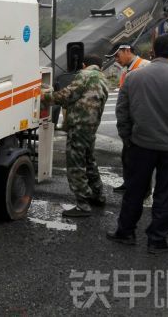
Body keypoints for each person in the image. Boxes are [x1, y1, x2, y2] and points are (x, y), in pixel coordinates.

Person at [107, 35, 168, 254]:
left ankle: (125, 232)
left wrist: (128, 139)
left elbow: (122, 112)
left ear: (154, 51)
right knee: (165, 194)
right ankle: (157, 239)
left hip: (141, 144)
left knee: (135, 190)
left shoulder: (133, 77)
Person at [46, 54, 109, 217]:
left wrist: (45, 96)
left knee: (76, 164)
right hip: (91, 126)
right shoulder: (103, 78)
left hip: (79, 126)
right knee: (89, 161)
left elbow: (68, 95)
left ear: (83, 64)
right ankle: (98, 195)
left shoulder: (84, 74)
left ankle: (83, 204)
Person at [107, 43, 150, 193]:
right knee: (127, 156)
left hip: (140, 121)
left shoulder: (145, 67)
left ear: (127, 51)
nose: (116, 60)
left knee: (141, 158)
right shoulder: (126, 69)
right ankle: (129, 183)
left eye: (117, 56)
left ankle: (143, 190)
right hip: (129, 121)